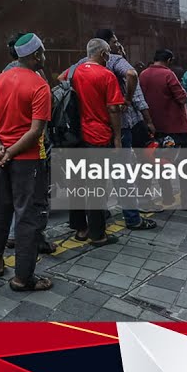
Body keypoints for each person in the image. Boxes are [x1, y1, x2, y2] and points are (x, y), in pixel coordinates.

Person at [0, 33, 55, 291]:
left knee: (0, 208)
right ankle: (23, 277)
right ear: (35, 55)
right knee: (27, 216)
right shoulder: (39, 86)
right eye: (43, 52)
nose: (44, 56)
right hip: (27, 160)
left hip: (2, 158)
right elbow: (36, 131)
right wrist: (10, 152)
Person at [93, 28, 158, 231]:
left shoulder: (82, 64)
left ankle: (100, 213)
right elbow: (133, 80)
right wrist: (145, 117)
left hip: (95, 128)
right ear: (105, 47)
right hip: (122, 125)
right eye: (115, 41)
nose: (118, 45)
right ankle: (133, 218)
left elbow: (63, 79)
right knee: (123, 174)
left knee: (98, 175)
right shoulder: (115, 60)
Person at [67, 38, 123, 247]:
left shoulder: (73, 72)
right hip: (97, 137)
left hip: (74, 137)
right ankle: (98, 234)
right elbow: (113, 109)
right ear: (102, 54)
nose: (109, 57)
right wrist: (117, 138)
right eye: (108, 53)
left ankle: (80, 229)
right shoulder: (107, 75)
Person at [139, 48, 187, 208]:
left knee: (161, 162)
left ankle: (167, 197)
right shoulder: (168, 74)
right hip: (178, 127)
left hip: (157, 127)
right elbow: (182, 97)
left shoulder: (144, 74)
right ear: (169, 60)